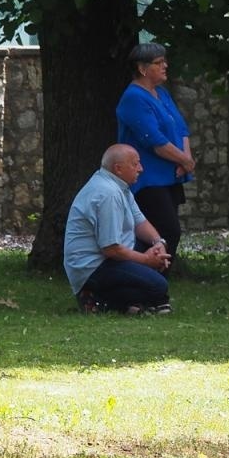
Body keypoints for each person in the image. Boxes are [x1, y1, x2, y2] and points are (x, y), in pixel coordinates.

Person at [63, 144, 172, 315]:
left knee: (155, 272)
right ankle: (96, 298)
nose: (141, 169)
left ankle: (135, 303)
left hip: (109, 258)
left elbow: (139, 222)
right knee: (158, 286)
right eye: (135, 164)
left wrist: (159, 243)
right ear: (118, 168)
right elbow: (110, 249)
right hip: (93, 266)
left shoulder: (118, 187)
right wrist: (146, 260)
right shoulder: (109, 194)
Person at [116, 41, 194, 263]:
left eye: (164, 61)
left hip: (169, 175)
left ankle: (152, 285)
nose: (165, 66)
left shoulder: (161, 93)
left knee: (166, 233)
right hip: (148, 179)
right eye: (159, 62)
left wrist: (185, 159)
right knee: (165, 233)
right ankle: (148, 282)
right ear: (142, 68)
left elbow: (180, 128)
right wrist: (183, 160)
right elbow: (154, 140)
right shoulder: (134, 97)